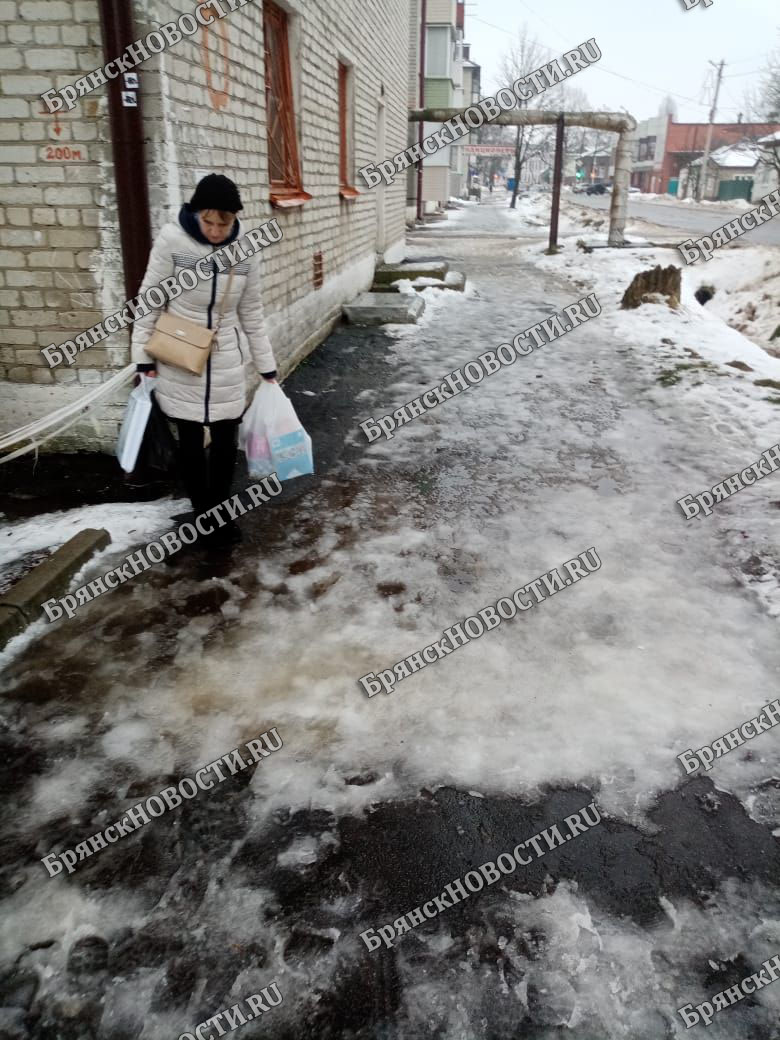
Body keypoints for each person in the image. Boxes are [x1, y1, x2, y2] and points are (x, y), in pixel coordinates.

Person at [131, 174, 277, 547]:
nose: (214, 230)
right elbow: (150, 299)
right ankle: (202, 514)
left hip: (226, 357)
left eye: (222, 223)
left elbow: (253, 311)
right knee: (191, 440)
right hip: (180, 355)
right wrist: (142, 360)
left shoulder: (246, 247)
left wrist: (267, 368)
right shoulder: (172, 241)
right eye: (207, 221)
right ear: (195, 213)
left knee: (227, 440)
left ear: (234, 219)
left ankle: (219, 512)